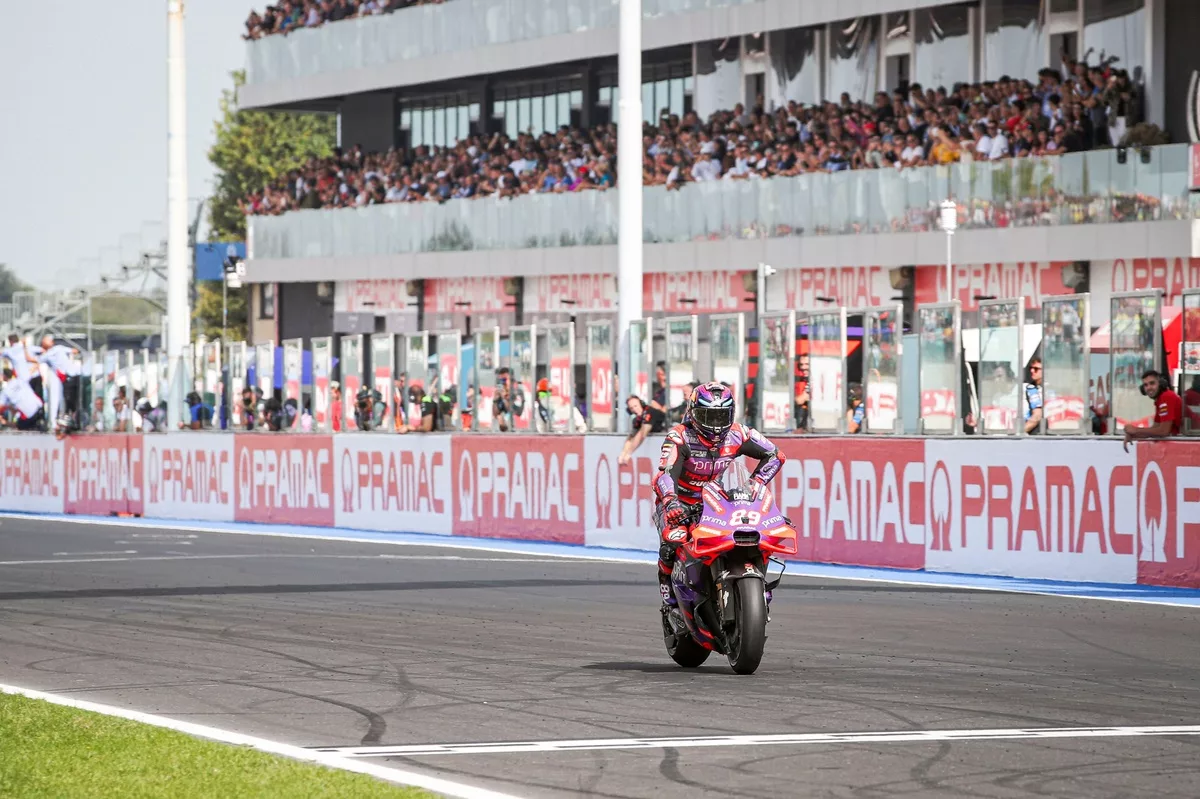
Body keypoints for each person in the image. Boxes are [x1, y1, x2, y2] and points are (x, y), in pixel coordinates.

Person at [652, 382, 785, 614]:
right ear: (693, 413)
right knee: (673, 539)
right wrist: (671, 501)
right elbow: (664, 474)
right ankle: (669, 597)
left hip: (714, 500)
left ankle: (757, 585)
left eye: (721, 416)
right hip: (679, 502)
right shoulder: (679, 437)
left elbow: (775, 456)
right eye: (708, 416)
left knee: (751, 533)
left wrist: (755, 485)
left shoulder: (739, 433)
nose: (715, 424)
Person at [1124, 369, 1182, 453]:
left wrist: (1136, 430)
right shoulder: (1160, 400)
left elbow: (1164, 431)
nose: (1149, 388)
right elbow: (1155, 429)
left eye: (1152, 383)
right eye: (1145, 385)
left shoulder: (1166, 397)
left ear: (1161, 383)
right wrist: (1133, 435)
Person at [619, 395, 666, 465]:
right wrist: (622, 454)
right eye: (631, 408)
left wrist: (628, 454)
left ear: (641, 404)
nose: (634, 409)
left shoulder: (650, 412)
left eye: (636, 406)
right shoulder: (637, 419)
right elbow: (631, 437)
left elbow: (642, 434)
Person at [1024, 358, 1044, 434]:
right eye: (1031, 368)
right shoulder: (1029, 387)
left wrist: (1020, 432)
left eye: (1036, 369)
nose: (1032, 371)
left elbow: (1037, 415)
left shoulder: (1032, 389)